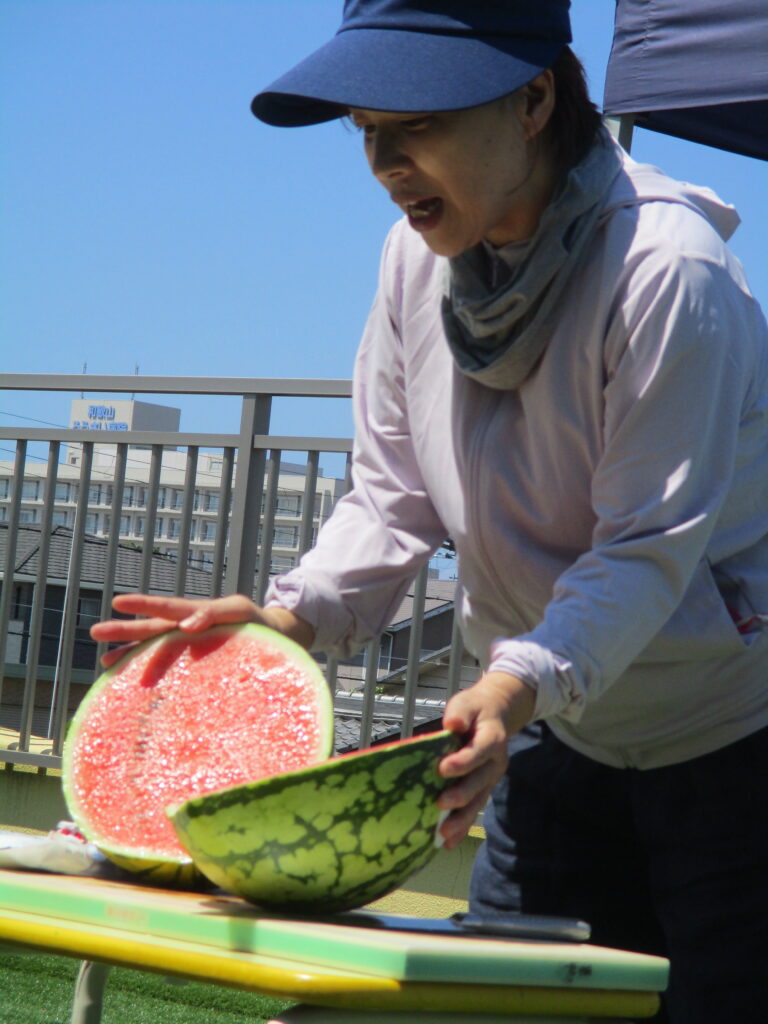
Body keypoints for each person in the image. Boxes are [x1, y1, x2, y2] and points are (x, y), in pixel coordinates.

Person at [92, 2, 768, 1020]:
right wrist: (292, 616)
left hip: (727, 741)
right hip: (548, 728)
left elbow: (642, 549)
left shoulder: (666, 270)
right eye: (367, 130)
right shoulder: (412, 263)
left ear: (534, 99)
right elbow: (392, 494)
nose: (385, 164)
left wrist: (515, 682)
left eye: (418, 124)